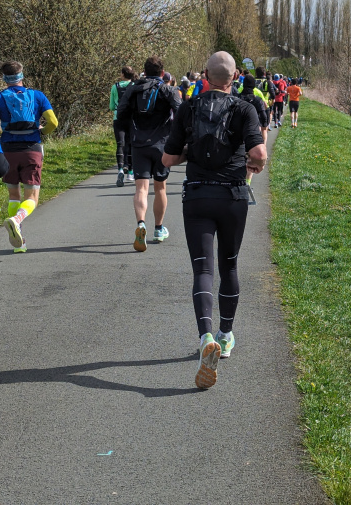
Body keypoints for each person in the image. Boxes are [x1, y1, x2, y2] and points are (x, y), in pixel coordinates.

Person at [162, 51, 267, 390]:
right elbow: (259, 153)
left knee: (203, 269)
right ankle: (225, 335)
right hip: (233, 197)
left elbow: (167, 158)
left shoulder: (188, 107)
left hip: (197, 196)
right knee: (230, 266)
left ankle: (205, 334)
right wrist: (254, 165)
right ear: (235, 78)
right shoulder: (244, 108)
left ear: (205, 74)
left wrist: (191, 153)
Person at [0, 61, 58, 253]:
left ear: (4, 78)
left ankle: (20, 243)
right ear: (22, 76)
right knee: (32, 196)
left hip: (7, 149)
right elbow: (53, 122)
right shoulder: (37, 95)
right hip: (32, 149)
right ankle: (17, 220)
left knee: (13, 195)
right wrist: (43, 132)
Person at [116, 55, 181, 252]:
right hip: (162, 145)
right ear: (162, 73)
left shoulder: (134, 88)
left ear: (144, 71)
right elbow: (181, 113)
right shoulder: (168, 89)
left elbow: (121, 112)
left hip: (138, 144)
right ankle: (158, 229)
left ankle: (141, 224)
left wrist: (130, 131)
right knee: (160, 188)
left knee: (141, 189)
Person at [109, 65, 136, 186]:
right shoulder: (134, 86)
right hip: (131, 118)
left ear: (122, 74)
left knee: (120, 144)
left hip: (118, 118)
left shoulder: (115, 87)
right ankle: (130, 171)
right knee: (130, 144)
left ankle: (120, 169)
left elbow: (111, 106)